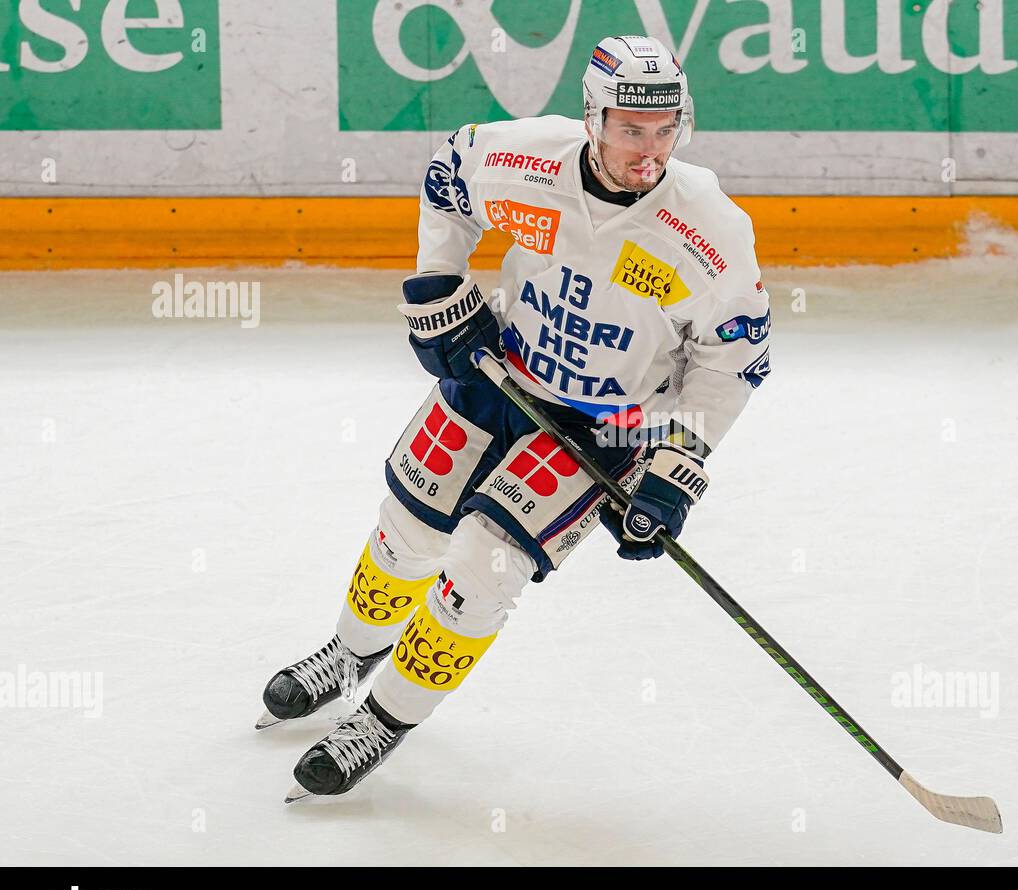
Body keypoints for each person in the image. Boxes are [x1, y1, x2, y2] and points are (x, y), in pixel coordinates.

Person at [257, 34, 772, 800]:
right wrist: (438, 287)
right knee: (406, 539)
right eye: (633, 129)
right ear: (592, 118)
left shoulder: (709, 226)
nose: (650, 149)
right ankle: (349, 652)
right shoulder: (524, 160)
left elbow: (733, 361)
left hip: (606, 424)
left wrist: (674, 467)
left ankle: (387, 718)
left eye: (666, 128)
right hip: (499, 374)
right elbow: (448, 178)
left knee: (478, 571)